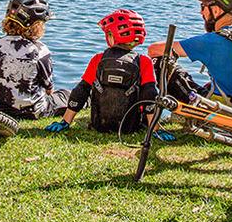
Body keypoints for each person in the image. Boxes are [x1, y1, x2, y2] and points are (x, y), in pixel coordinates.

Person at [45, 9, 173, 140]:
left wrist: (65, 122)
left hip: (99, 125)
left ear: (112, 36)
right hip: (130, 127)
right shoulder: (143, 61)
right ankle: (153, 126)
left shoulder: (98, 59)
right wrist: (155, 129)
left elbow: (81, 90)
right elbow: (149, 94)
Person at [146, 0, 232, 108]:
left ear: (216, 10)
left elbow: (154, 50)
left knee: (160, 62)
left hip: (223, 107)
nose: (201, 12)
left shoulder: (212, 41)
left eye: (203, 6)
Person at [0, 0, 69, 120]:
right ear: (36, 26)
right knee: (66, 95)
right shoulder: (40, 50)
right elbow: (49, 89)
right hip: (31, 112)